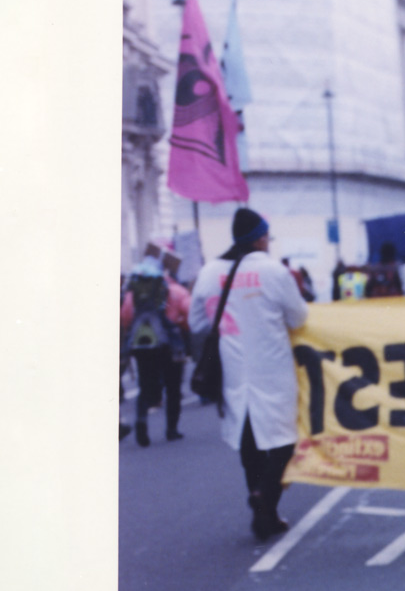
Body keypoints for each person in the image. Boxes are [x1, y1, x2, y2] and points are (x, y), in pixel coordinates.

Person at [190, 207, 308, 540]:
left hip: (233, 371)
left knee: (249, 442)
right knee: (286, 439)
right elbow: (299, 318)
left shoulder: (209, 273)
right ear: (259, 238)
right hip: (272, 368)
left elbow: (197, 322)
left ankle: (265, 513)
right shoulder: (274, 272)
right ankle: (265, 498)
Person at [120, 247, 192, 445]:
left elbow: (125, 316)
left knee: (145, 384)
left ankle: (142, 424)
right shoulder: (176, 291)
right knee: (173, 386)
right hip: (169, 343)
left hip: (143, 343)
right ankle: (172, 429)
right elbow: (188, 315)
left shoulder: (133, 292)